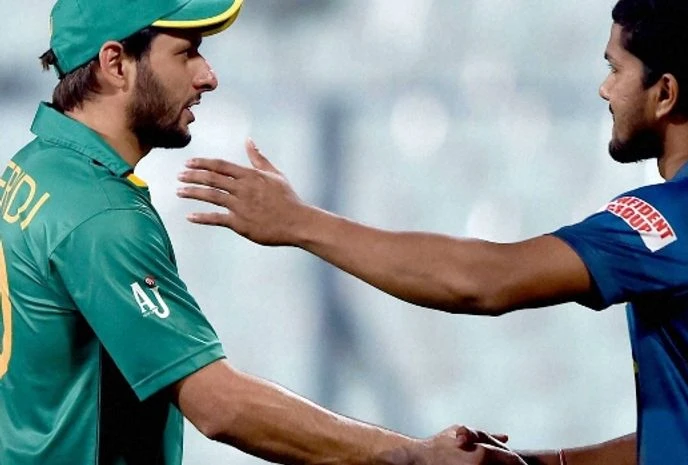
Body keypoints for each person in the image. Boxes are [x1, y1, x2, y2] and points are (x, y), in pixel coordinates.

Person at [177, 0, 688, 463]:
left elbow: (483, 282)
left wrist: (300, 223)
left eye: (616, 68)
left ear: (665, 93)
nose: (603, 89)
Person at [0, 1, 525, 464]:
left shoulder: (33, 167)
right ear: (117, 63)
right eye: (187, 53)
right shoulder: (100, 215)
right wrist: (413, 457)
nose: (208, 77)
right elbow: (219, 406)